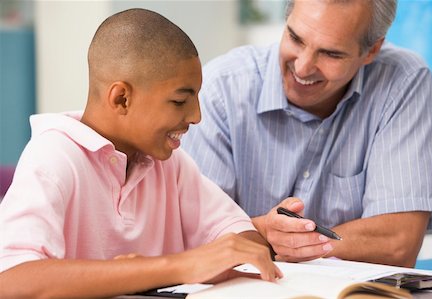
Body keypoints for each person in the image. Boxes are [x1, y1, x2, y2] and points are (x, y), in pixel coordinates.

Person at [0, 8, 282, 299]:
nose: (196, 116)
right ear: (121, 98)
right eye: (179, 101)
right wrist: (172, 267)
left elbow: (245, 242)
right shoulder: (54, 159)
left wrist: (226, 255)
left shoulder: (170, 166)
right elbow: (11, 280)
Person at [183, 0, 432, 268]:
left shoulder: (402, 80)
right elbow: (197, 241)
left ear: (372, 51)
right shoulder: (221, 91)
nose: (302, 68)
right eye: (295, 38)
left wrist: (274, 239)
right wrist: (273, 233)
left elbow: (397, 243)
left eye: (331, 54)